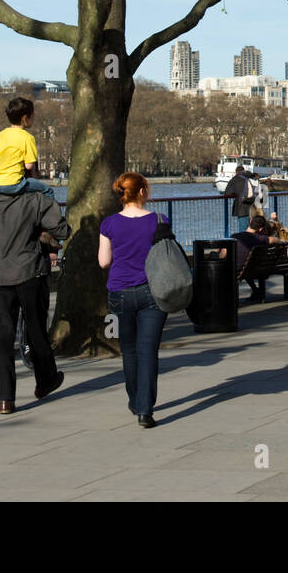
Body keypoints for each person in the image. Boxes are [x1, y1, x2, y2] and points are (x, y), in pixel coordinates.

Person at [0, 178, 69, 416]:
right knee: (36, 328)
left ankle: (5, 398)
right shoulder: (35, 199)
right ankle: (45, 379)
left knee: (1, 336)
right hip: (29, 272)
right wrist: (40, 231)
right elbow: (63, 229)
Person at [98, 172, 172, 427]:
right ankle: (145, 409)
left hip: (119, 293)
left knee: (128, 351)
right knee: (148, 351)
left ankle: (134, 399)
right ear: (142, 192)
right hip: (153, 291)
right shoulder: (159, 220)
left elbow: (103, 261)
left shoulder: (108, 224)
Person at [0, 96, 55, 197]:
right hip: (13, 183)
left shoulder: (1, 135)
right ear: (25, 118)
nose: (34, 118)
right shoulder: (27, 137)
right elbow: (29, 165)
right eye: (32, 115)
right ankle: (49, 213)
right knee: (47, 191)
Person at [233, 215, 274, 304]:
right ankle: (256, 291)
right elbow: (276, 240)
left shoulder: (235, 237)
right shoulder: (261, 239)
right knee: (247, 265)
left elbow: (222, 254)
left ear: (250, 221)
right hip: (253, 269)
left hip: (237, 270)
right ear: (260, 229)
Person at [225, 165, 253, 233]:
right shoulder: (252, 177)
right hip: (255, 208)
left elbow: (227, 193)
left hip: (242, 209)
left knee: (244, 232)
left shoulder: (235, 179)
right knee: (254, 230)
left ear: (236, 172)